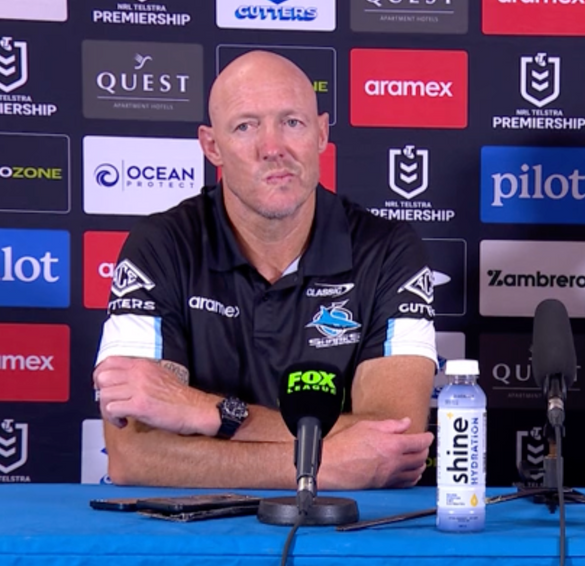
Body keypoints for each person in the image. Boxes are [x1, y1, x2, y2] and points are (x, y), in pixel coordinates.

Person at [92, 51, 437, 490]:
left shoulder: (387, 250)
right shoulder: (162, 246)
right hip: (198, 538)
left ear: (321, 133)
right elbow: (133, 453)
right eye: (245, 126)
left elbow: (396, 439)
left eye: (292, 122)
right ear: (211, 146)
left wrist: (207, 414)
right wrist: (321, 465)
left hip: (345, 537)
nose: (273, 148)